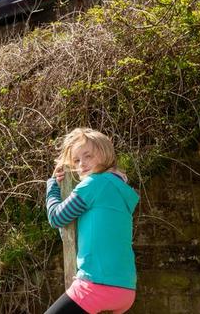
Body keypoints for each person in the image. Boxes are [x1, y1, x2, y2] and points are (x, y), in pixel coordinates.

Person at [44, 128, 139, 314]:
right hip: (126, 289)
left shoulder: (94, 184)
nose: (81, 164)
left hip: (97, 285)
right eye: (77, 160)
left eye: (88, 156)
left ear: (104, 154)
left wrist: (52, 186)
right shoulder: (120, 187)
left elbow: (56, 217)